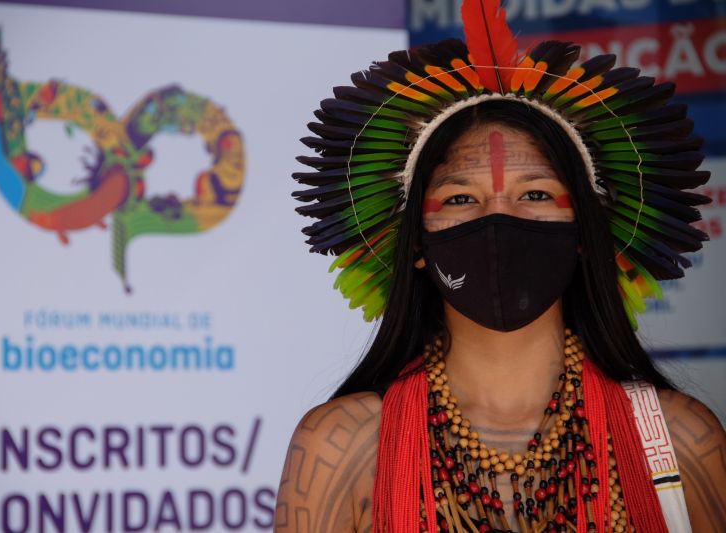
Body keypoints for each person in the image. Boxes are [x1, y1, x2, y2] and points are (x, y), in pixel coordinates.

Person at [275, 2, 726, 531]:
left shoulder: (680, 441)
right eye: (461, 199)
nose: (498, 218)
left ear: (583, 231)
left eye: (534, 193)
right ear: (416, 241)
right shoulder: (342, 446)